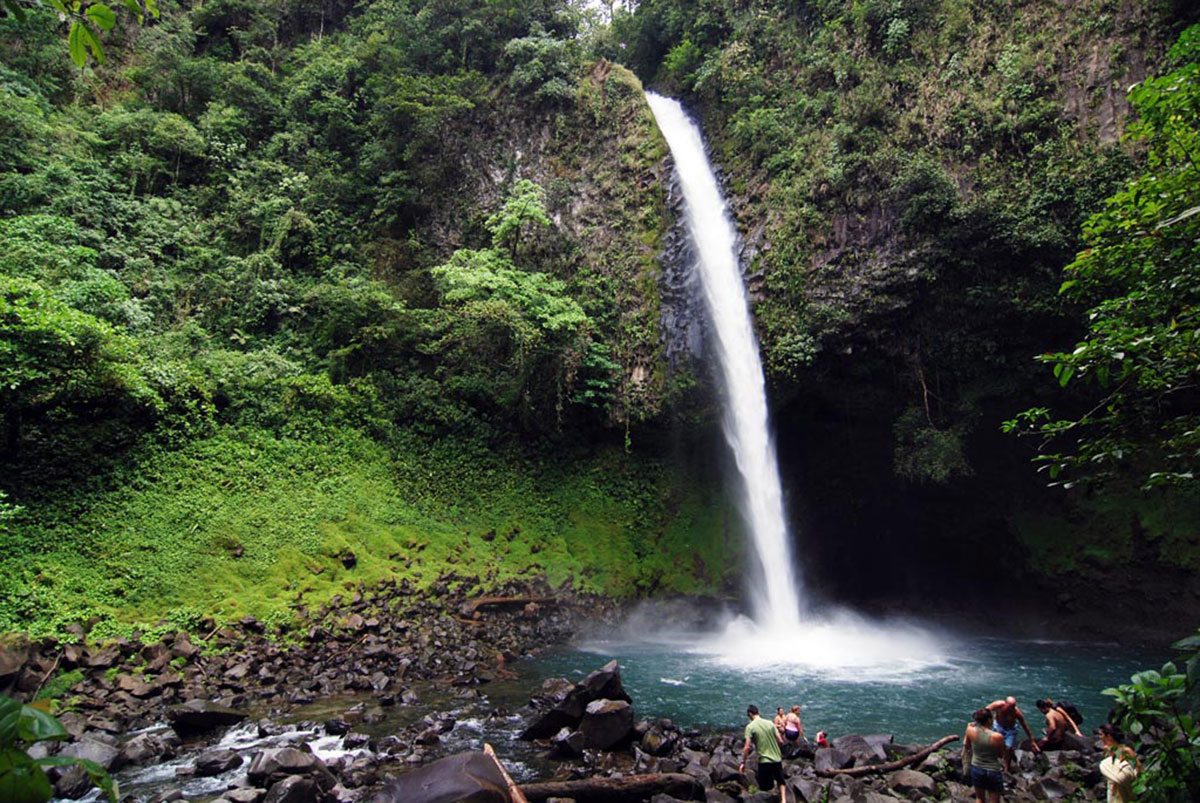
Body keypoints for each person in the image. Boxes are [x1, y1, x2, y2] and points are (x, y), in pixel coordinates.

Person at [741, 704, 786, 803]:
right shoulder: (770, 723)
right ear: (758, 712)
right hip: (777, 758)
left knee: (765, 787)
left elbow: (747, 747)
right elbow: (781, 741)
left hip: (764, 760)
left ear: (750, 714)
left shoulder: (750, 727)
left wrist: (743, 762)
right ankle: (783, 800)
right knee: (780, 780)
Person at [962, 708, 1006, 803]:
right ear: (989, 720)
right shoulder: (997, 736)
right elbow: (1001, 755)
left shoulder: (970, 730)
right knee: (994, 800)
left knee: (979, 798)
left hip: (977, 767)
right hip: (993, 769)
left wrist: (968, 728)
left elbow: (966, 745)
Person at [986, 696, 1040, 770]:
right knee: (994, 746)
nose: (1011, 709)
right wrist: (980, 723)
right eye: (1009, 707)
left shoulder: (1016, 712)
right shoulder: (998, 705)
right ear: (1005, 703)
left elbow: (1025, 726)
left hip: (1010, 730)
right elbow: (985, 711)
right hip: (998, 726)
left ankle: (1006, 767)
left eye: (1013, 707)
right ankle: (993, 762)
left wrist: (1032, 740)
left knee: (1008, 748)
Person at [1097, 722, 1140, 803]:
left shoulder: (1126, 750)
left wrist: (1132, 780)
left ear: (1109, 736)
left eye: (1102, 734)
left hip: (1125, 781)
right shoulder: (1106, 749)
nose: (1100, 737)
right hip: (1112, 783)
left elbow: (1138, 766)